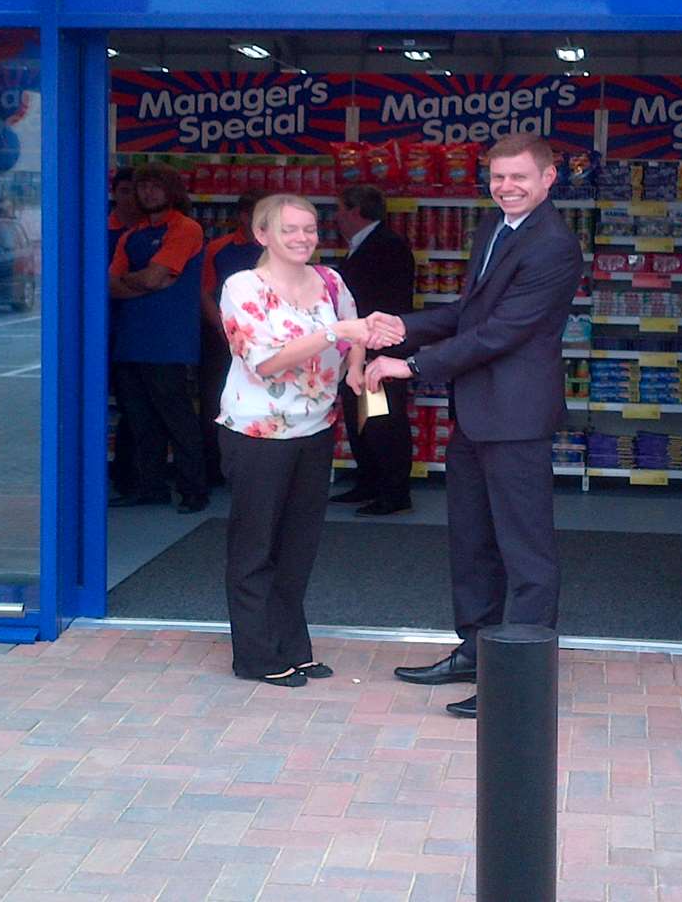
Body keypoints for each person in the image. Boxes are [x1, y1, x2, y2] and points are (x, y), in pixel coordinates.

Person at [365, 134, 586, 719]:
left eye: (519, 178)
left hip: (516, 417)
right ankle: (477, 649)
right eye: (498, 177)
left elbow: (501, 333)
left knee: (526, 552)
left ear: (548, 179)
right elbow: (470, 315)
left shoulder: (553, 245)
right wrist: (400, 327)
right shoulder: (495, 228)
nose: (507, 187)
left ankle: (521, 678)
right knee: (472, 541)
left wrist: (408, 363)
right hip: (479, 411)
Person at [215, 195, 400, 685]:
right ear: (263, 235)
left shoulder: (331, 282)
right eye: (289, 230)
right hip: (257, 433)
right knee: (255, 547)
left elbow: (356, 330)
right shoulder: (242, 287)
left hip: (316, 428)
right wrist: (333, 333)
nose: (302, 238)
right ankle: (255, 656)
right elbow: (265, 362)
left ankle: (293, 645)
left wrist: (358, 367)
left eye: (310, 229)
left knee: (298, 546)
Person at [109, 164, 210, 514]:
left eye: (156, 187)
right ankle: (150, 486)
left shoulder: (186, 228)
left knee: (177, 418)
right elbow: (113, 285)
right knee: (139, 420)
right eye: (144, 187)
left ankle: (194, 490)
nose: (149, 193)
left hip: (169, 342)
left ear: (171, 191)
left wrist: (138, 282)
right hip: (130, 340)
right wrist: (148, 282)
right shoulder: (131, 233)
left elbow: (147, 279)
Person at [332, 184, 418, 515]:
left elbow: (385, 301)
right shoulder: (363, 244)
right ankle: (368, 481)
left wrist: (369, 347)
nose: (336, 217)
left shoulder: (387, 245)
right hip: (358, 349)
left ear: (356, 211)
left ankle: (394, 492)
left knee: (383, 419)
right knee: (360, 418)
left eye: (340, 209)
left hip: (377, 351)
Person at [200, 190, 268, 487]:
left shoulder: (281, 248)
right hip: (222, 340)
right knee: (217, 402)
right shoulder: (218, 248)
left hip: (268, 342)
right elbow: (204, 292)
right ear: (243, 216)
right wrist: (223, 328)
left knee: (265, 402)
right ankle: (215, 470)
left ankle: (258, 470)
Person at [107, 168, 142, 499]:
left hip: (134, 329)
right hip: (98, 327)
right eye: (127, 190)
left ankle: (127, 475)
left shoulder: (147, 230)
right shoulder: (97, 224)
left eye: (137, 190)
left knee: (133, 405)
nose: (133, 197)